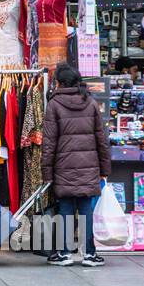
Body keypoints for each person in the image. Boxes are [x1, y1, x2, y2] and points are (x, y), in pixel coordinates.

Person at [42, 63, 111, 267]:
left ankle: (64, 254)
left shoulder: (54, 104)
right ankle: (89, 254)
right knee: (85, 209)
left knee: (65, 209)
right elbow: (101, 139)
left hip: (63, 167)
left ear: (59, 83)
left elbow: (49, 143)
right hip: (89, 167)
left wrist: (46, 172)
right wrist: (104, 170)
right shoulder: (90, 102)